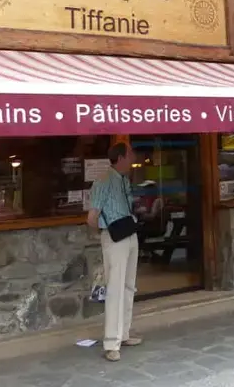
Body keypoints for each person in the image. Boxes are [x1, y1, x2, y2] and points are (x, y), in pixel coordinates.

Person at [87, 142, 143, 361]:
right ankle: (112, 342)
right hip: (114, 236)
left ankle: (124, 333)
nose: (133, 158)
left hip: (129, 234)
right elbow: (92, 216)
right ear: (120, 157)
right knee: (116, 288)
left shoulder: (123, 180)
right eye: (130, 155)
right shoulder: (103, 181)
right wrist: (104, 233)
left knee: (129, 285)